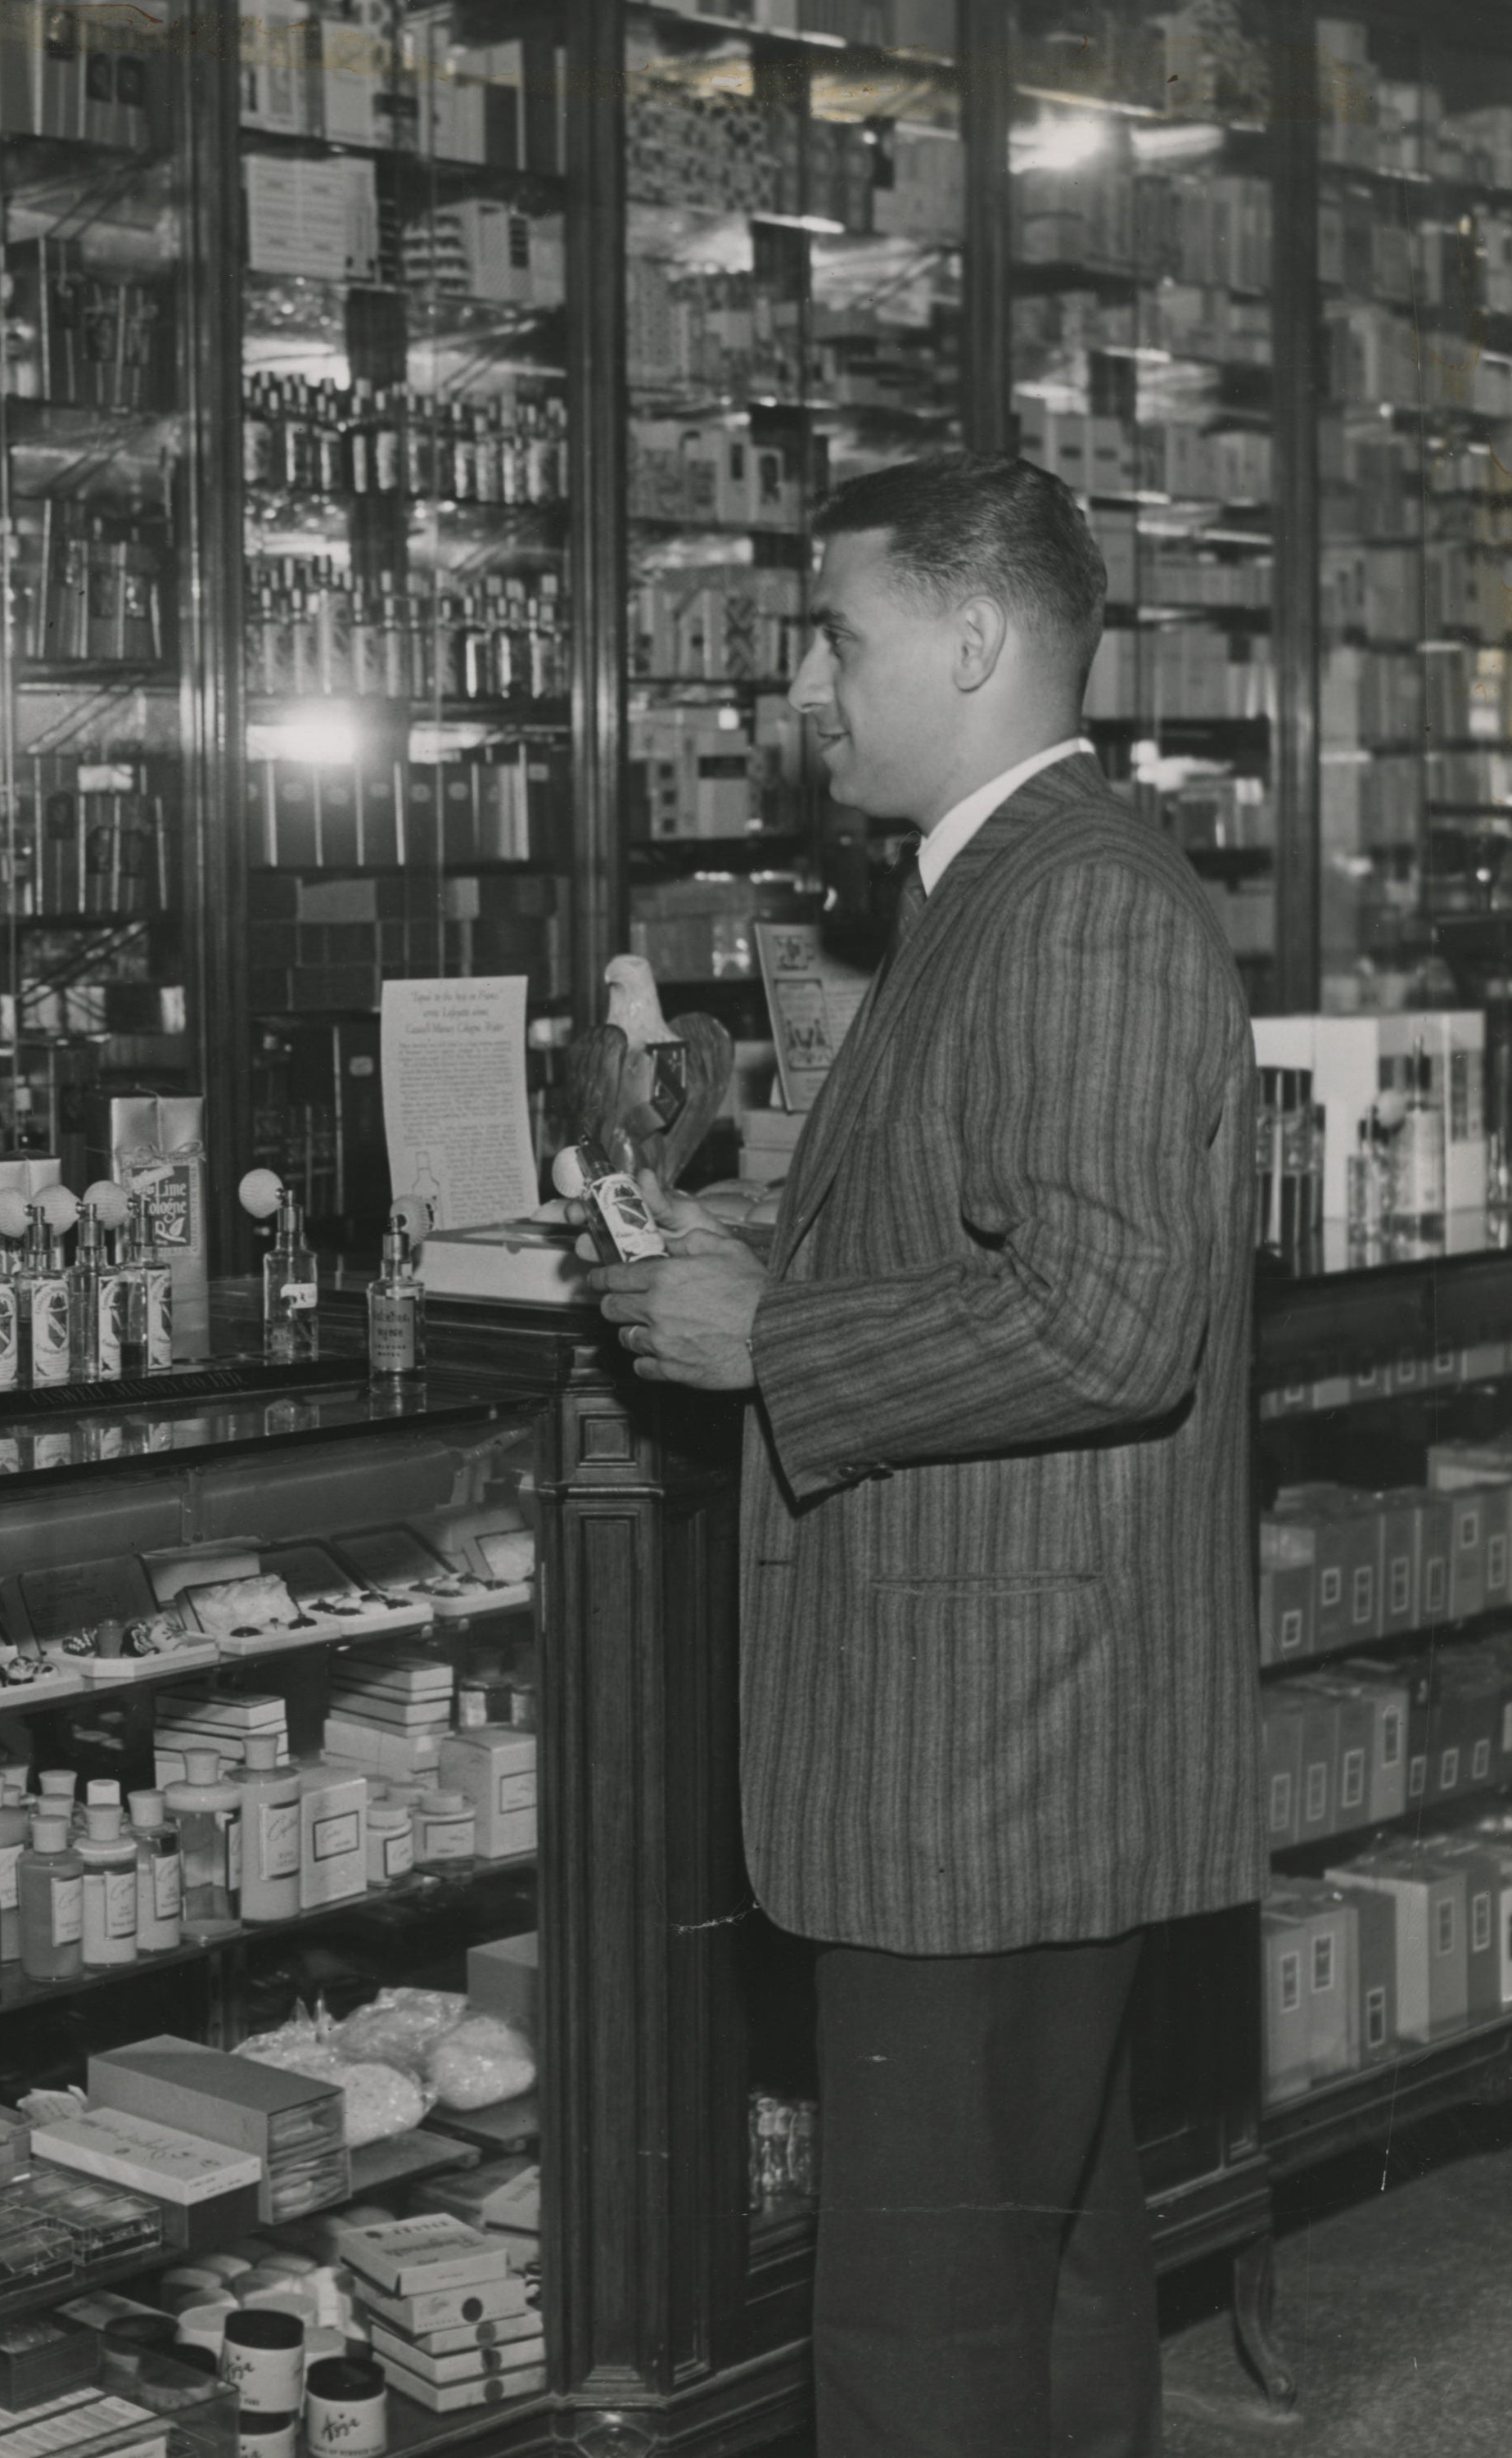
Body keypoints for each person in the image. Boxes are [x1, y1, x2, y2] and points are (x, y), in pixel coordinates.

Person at [584, 453, 1258, 2458]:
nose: (804, 683)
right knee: (1039, 2274)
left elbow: (1105, 1317)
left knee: (918, 2336)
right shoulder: (998, 888)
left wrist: (768, 1335)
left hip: (989, 1761)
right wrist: (767, 1243)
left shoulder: (1074, 907)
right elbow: (1000, 1235)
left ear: (969, 639)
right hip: (1002, 1743)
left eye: (834, 634)